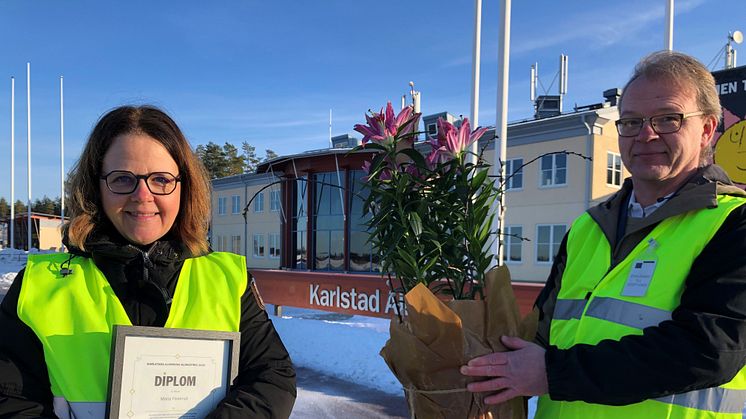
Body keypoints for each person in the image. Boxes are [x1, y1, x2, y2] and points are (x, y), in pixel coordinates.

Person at [461, 51, 746, 418]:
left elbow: (709, 349)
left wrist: (551, 372)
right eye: (630, 122)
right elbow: (543, 332)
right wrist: (483, 374)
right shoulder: (588, 227)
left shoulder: (733, 224)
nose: (646, 134)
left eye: (667, 119)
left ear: (707, 128)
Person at [0, 105, 296, 418]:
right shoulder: (39, 286)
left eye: (161, 179)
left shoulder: (227, 279)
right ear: (96, 187)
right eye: (122, 179)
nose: (143, 195)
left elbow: (272, 378)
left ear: (184, 187)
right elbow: (11, 400)